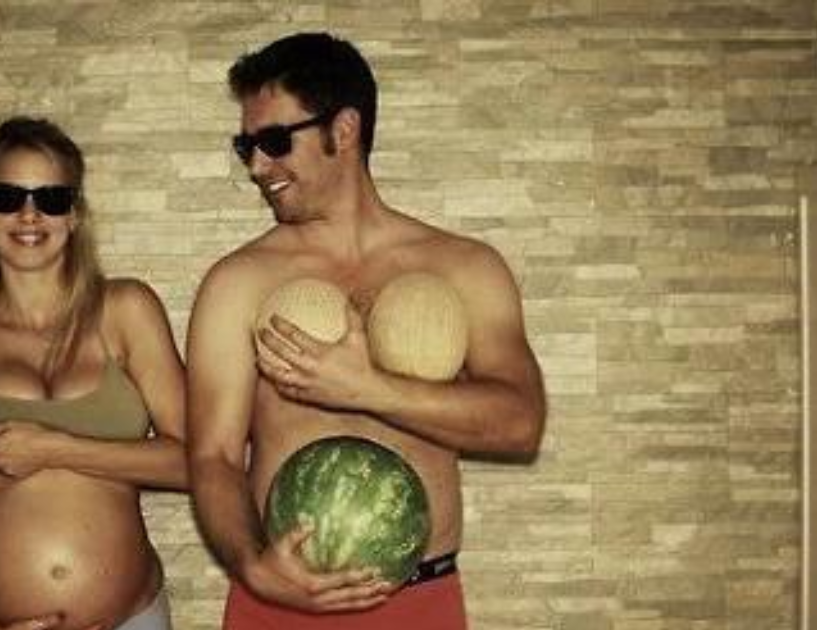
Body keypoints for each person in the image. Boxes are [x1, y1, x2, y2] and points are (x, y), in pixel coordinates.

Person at [186, 32, 547, 630]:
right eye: (245, 146)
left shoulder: (464, 267)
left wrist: (368, 389)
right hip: (278, 602)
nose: (257, 166)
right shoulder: (238, 282)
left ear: (345, 129)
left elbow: (519, 425)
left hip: (418, 601)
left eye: (275, 142)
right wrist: (252, 565)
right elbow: (212, 456)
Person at [0, 116, 187, 630]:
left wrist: (54, 449)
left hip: (131, 620)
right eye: (8, 197)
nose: (29, 215)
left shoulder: (126, 310)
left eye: (51, 199)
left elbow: (200, 464)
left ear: (74, 216)